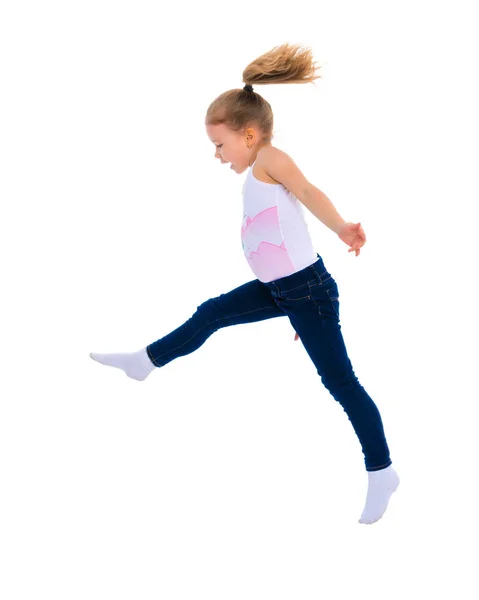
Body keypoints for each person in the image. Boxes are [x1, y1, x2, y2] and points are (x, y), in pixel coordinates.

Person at [90, 43, 399, 524]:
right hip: (284, 293)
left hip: (307, 292)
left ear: (249, 135)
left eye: (219, 144)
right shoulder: (256, 167)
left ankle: (382, 471)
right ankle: (145, 361)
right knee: (211, 311)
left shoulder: (271, 159)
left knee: (340, 382)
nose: (216, 155)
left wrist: (340, 228)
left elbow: (309, 192)